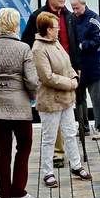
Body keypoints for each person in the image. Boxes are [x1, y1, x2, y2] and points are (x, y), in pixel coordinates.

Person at [0, 8, 40, 198]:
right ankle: (18, 191)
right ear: (15, 25)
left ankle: (4, 195)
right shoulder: (23, 48)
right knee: (24, 147)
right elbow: (31, 80)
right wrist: (33, 97)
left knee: (3, 151)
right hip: (20, 106)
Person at [22, 0, 80, 167]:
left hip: (68, 68)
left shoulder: (69, 16)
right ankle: (57, 154)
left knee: (69, 119)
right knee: (53, 117)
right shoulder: (38, 17)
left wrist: (77, 68)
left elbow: (74, 43)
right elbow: (27, 42)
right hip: (48, 70)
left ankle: (75, 162)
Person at [32, 12, 92, 188]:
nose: (58, 29)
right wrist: (69, 83)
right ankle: (48, 172)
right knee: (49, 137)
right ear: (47, 29)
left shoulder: (56, 42)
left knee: (70, 133)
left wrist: (74, 77)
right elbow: (47, 77)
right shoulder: (38, 49)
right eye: (55, 27)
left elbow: (67, 64)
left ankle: (76, 165)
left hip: (66, 98)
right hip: (50, 100)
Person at [69, 0, 100, 139]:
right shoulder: (72, 19)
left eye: (77, 8)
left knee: (96, 99)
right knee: (79, 99)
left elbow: (99, 42)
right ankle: (83, 126)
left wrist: (81, 46)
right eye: (73, 8)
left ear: (84, 4)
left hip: (93, 66)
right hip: (77, 67)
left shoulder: (94, 19)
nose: (75, 11)